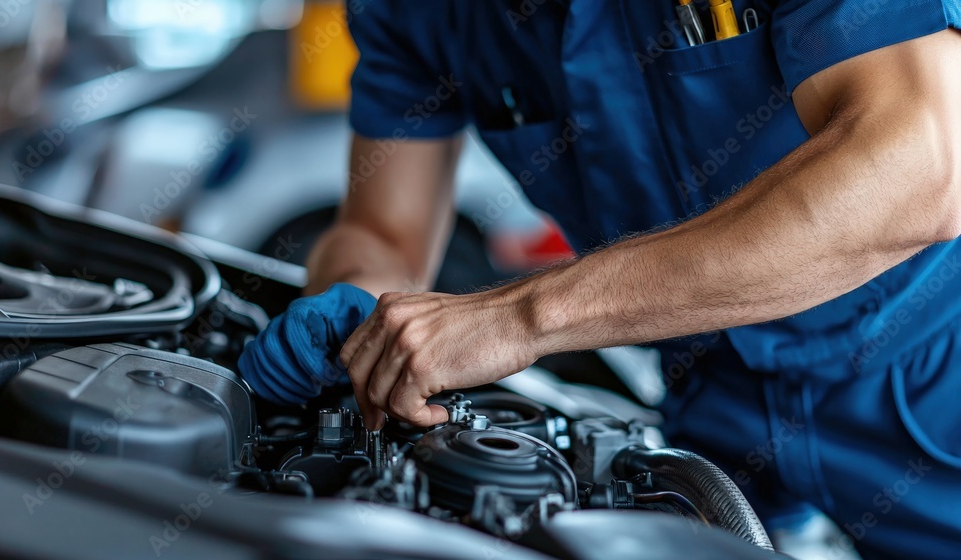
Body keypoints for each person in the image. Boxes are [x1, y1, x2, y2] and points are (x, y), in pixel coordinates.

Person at [239, 2, 961, 557]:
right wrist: (355, 307)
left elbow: (925, 171)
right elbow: (382, 232)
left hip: (927, 380)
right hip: (708, 402)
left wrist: (521, 317)